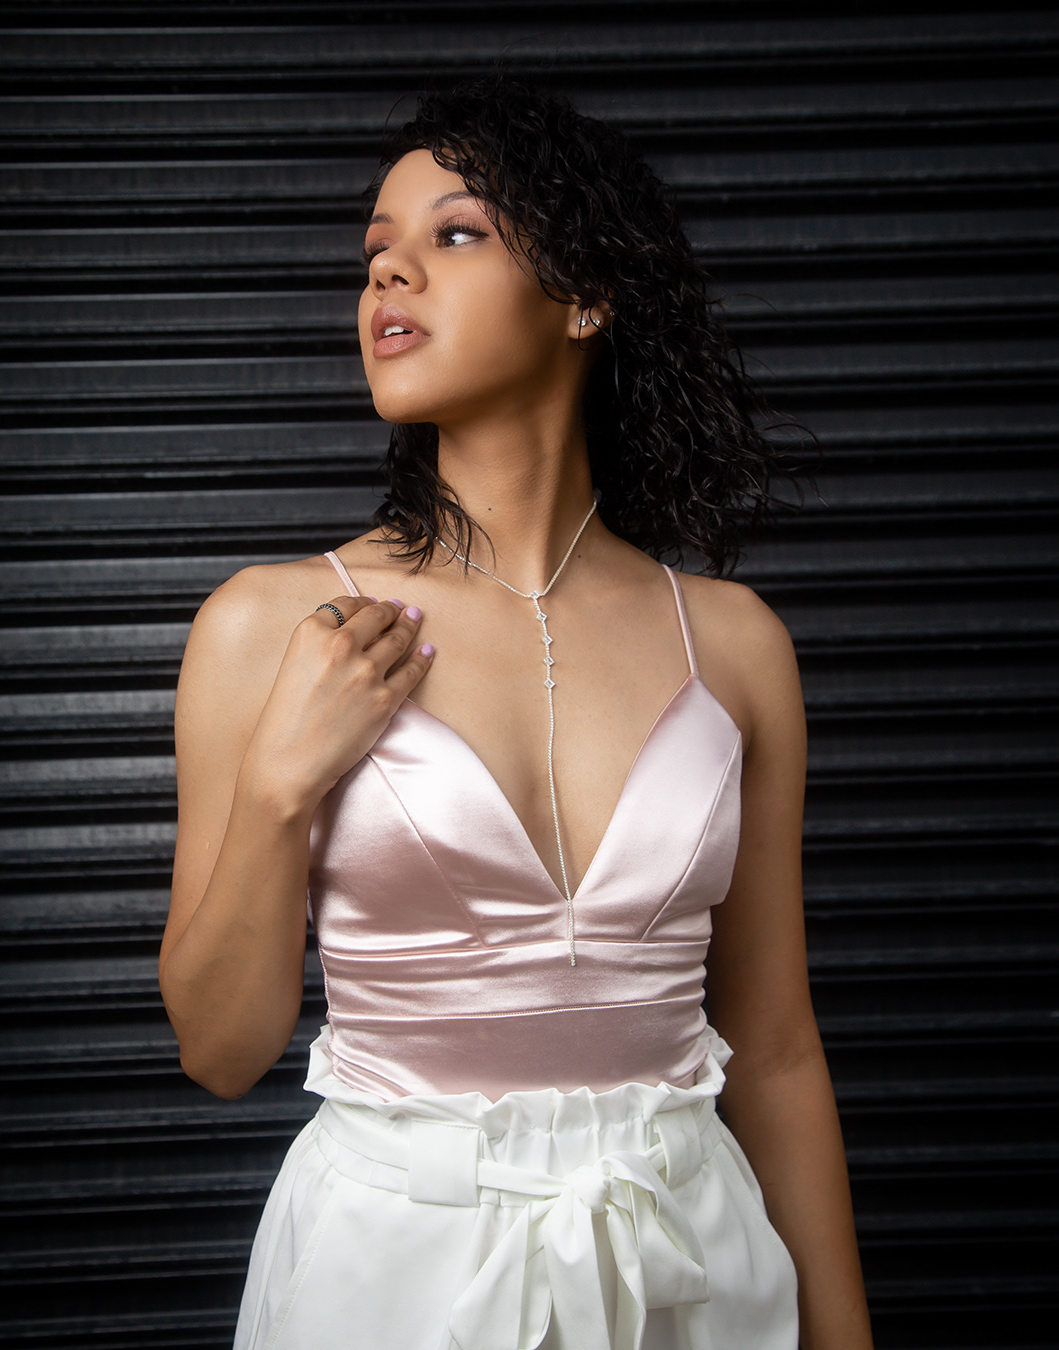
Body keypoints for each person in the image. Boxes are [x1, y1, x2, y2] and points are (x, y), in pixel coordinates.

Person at [159, 78, 873, 1350]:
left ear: (587, 294)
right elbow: (220, 1051)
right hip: (387, 1284)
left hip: (693, 1274)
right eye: (376, 252)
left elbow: (772, 1052)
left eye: (455, 233)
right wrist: (278, 787)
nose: (389, 276)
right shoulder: (269, 627)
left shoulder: (735, 646)